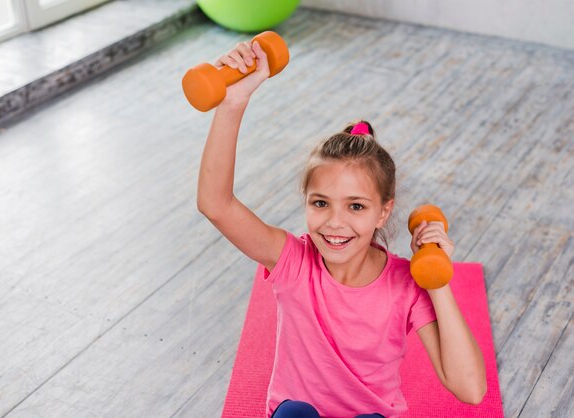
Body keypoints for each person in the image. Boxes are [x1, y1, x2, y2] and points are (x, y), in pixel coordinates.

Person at [197, 39, 487, 418]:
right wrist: (232, 103)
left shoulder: (406, 285)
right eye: (320, 203)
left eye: (356, 206)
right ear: (306, 202)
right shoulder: (292, 262)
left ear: (384, 212)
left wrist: (439, 284)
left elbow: (470, 389)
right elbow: (215, 205)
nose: (335, 223)